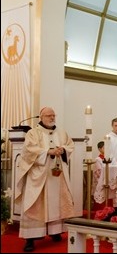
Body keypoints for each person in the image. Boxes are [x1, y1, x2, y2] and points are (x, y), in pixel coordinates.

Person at [15, 107, 75, 252]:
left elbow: (70, 145)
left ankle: (55, 231)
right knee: (35, 205)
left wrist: (63, 150)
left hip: (56, 175)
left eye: (54, 115)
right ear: (41, 117)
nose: (52, 117)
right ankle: (30, 238)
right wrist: (48, 152)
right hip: (39, 176)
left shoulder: (61, 132)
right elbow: (28, 151)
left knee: (56, 203)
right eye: (49, 115)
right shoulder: (33, 133)